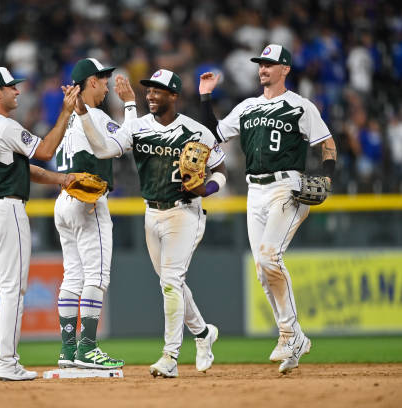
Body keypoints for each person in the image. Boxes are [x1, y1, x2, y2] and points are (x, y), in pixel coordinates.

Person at [75, 68, 226, 378]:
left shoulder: (197, 131)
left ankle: (170, 357)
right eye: (149, 90)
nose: (151, 95)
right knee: (173, 284)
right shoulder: (138, 127)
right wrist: (84, 116)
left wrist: (207, 188)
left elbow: (221, 169)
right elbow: (105, 149)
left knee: (169, 282)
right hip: (151, 213)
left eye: (158, 90)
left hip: (185, 211)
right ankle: (202, 334)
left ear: (173, 95)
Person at [198, 44, 337, 374]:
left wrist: (327, 177)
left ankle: (288, 334)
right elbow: (213, 134)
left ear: (285, 69)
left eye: (270, 64)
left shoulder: (300, 107)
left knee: (268, 257)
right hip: (254, 190)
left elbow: (327, 144)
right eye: (261, 63)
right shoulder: (246, 107)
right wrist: (205, 97)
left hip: (286, 186)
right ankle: (296, 337)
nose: (263, 68)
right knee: (263, 271)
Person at [0, 67, 79, 381]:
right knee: (13, 290)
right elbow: (46, 151)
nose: (18, 91)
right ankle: (7, 362)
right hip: (6, 210)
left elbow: (24, 168)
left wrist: (61, 179)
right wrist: (65, 112)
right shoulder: (5, 126)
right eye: (12, 87)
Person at [54, 58, 136, 370]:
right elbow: (125, 142)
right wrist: (130, 105)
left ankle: (67, 349)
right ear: (90, 82)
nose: (106, 85)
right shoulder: (96, 116)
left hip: (63, 201)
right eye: (102, 79)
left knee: (73, 275)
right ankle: (87, 348)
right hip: (88, 202)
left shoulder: (68, 117)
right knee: (96, 276)